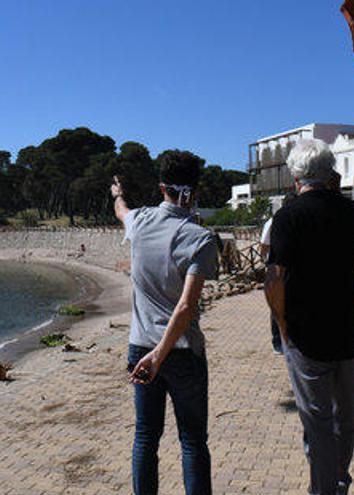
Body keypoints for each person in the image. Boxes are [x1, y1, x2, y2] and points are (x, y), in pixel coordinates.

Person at [112, 150, 219, 495]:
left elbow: (121, 212)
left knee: (145, 436)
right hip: (183, 352)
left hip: (141, 347)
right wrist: (163, 353)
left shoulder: (139, 221)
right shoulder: (200, 239)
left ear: (162, 188)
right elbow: (186, 305)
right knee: (191, 441)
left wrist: (118, 194)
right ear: (195, 191)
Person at [264, 139, 354, 495]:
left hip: (305, 333)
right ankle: (340, 475)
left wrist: (281, 323)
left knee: (317, 420)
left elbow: (274, 277)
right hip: (348, 328)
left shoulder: (287, 217)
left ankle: (325, 488)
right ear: (331, 173)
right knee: (345, 417)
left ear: (295, 176)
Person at [259, 191, 297, 355]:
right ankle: (277, 341)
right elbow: (264, 244)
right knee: (277, 302)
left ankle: (290, 338)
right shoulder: (274, 221)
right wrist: (266, 260)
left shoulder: (296, 219)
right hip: (276, 264)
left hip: (291, 265)